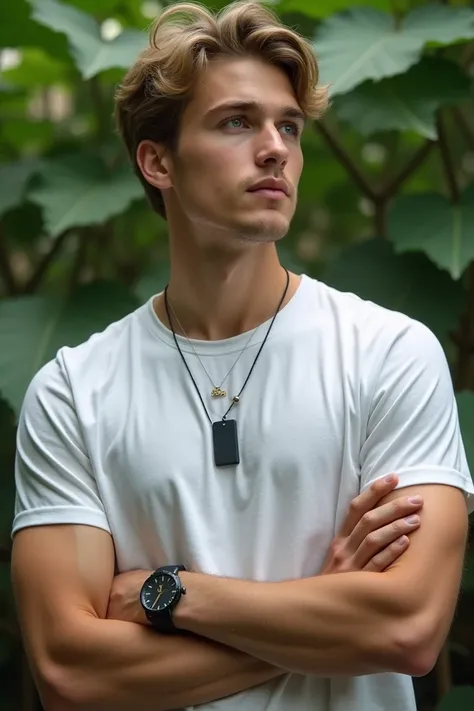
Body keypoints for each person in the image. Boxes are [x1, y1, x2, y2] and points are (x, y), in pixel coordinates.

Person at [11, 1, 474, 710]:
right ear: (157, 160)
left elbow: (408, 626)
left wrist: (167, 595)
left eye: (287, 125)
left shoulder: (390, 354)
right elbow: (71, 674)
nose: (276, 148)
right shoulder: (74, 390)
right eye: (237, 122)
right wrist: (326, 609)